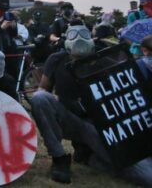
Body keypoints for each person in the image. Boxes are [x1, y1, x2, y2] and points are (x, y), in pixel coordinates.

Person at [31, 25, 152, 185]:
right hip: (71, 118)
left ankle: (90, 157)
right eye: (73, 35)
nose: (79, 39)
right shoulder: (56, 59)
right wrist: (59, 100)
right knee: (40, 97)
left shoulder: (107, 61)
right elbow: (42, 90)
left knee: (145, 175)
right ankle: (59, 158)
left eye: (84, 34)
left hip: (101, 127)